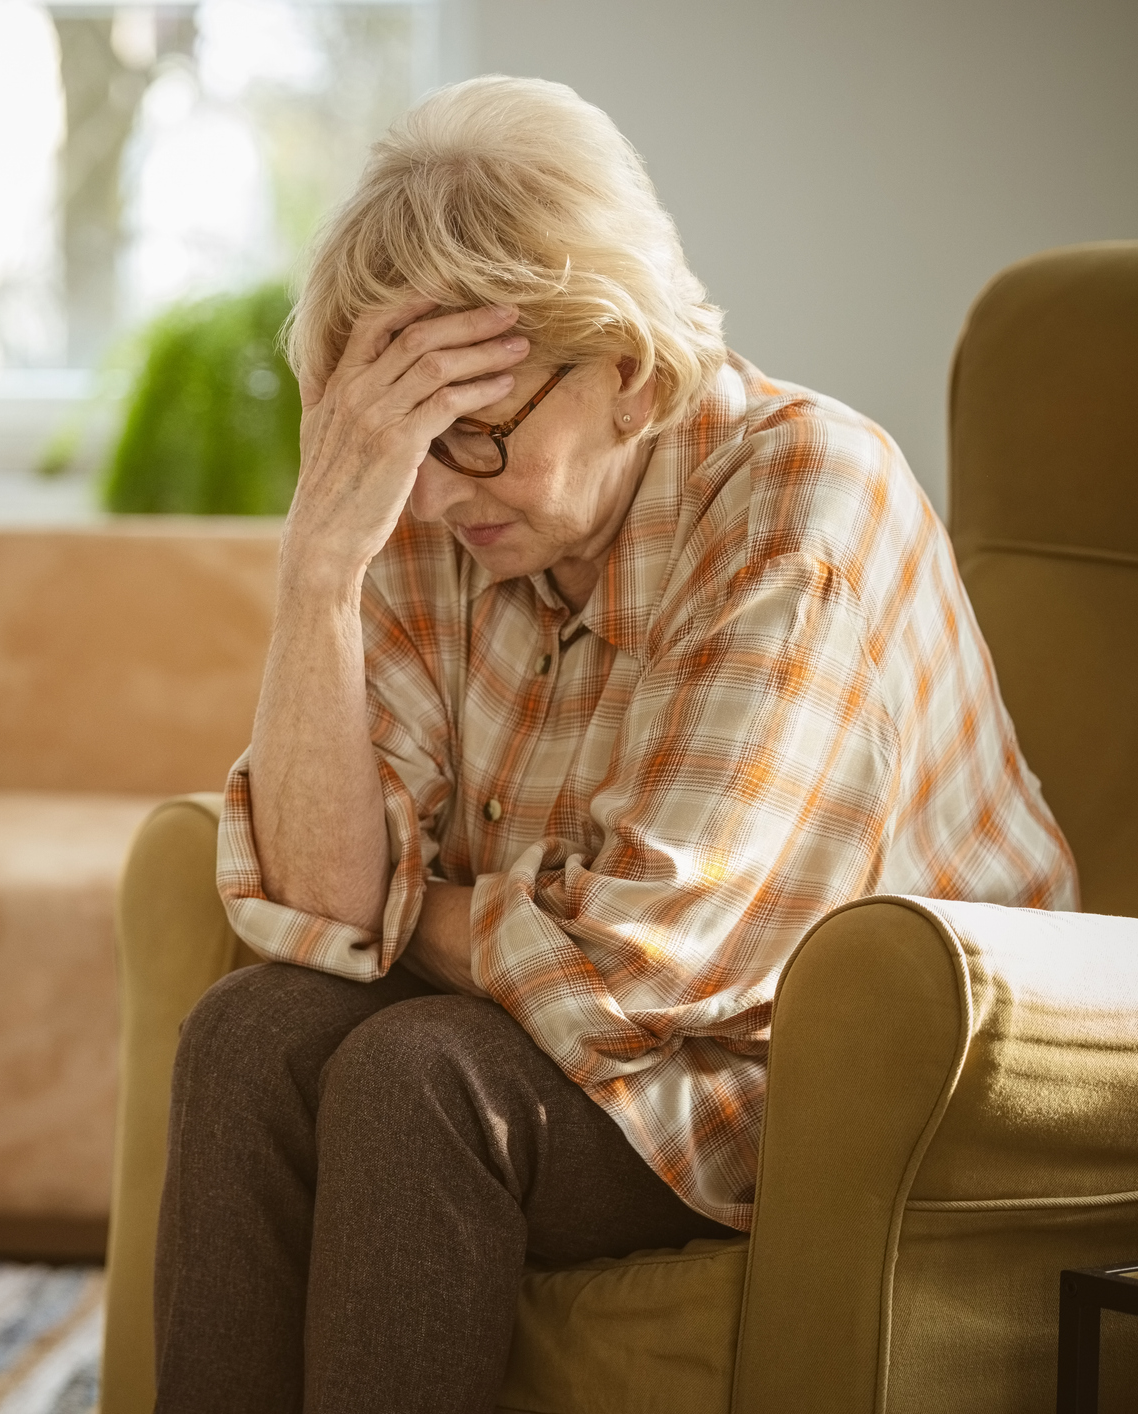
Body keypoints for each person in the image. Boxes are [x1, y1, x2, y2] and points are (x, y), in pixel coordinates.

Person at [151, 74, 1077, 1414]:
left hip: (829, 1088)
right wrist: (318, 566)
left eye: (475, 434)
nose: (432, 490)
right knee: (249, 1033)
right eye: (396, 442)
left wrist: (397, 908)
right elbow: (309, 913)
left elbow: (639, 959)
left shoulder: (799, 502)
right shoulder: (422, 502)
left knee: (420, 1077)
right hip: (576, 1041)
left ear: (631, 374)